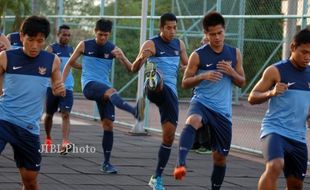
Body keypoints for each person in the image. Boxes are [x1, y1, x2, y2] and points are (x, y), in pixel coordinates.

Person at [173, 11, 245, 190]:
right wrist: (203, 76)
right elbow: (185, 83)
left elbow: (242, 82)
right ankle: (181, 163)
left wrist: (231, 72)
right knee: (193, 120)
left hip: (222, 111)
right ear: (206, 34)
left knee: (219, 158)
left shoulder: (234, 53)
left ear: (224, 31)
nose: (217, 37)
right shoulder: (197, 55)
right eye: (212, 34)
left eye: (220, 33)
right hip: (202, 102)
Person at [62, 18, 144, 174]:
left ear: (110, 34)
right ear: (95, 32)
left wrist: (122, 57)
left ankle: (106, 163)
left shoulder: (113, 48)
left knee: (108, 125)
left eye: (106, 35)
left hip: (104, 89)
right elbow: (69, 63)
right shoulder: (84, 45)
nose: (102, 38)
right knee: (112, 91)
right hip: (90, 86)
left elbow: (131, 69)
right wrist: (61, 83)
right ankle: (134, 111)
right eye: (100, 34)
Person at [0, 15, 65, 190]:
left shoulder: (52, 61)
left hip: (28, 128)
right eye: (30, 40)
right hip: (3, 121)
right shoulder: (5, 57)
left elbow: (57, 86)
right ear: (21, 36)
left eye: (40, 41)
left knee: (30, 181)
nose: (35, 46)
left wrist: (59, 90)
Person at [131, 12, 188, 190]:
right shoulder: (151, 44)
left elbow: (187, 67)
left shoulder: (179, 44)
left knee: (169, 136)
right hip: (154, 89)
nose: (172, 31)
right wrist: (142, 58)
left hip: (171, 94)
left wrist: (191, 68)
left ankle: (156, 177)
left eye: (174, 28)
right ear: (161, 28)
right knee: (155, 75)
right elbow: (134, 68)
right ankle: (155, 78)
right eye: (168, 28)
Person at [248, 29, 310, 190]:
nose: (307, 57)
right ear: (293, 47)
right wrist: (272, 92)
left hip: (298, 136)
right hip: (275, 130)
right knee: (275, 165)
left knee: (296, 185)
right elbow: (252, 97)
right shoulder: (276, 70)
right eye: (304, 52)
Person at [43, 24, 81, 155]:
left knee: (66, 114)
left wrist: (85, 67)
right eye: (64, 34)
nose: (67, 37)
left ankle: (65, 142)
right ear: (58, 35)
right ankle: (48, 137)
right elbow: (45, 66)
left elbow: (73, 63)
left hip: (68, 87)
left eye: (69, 35)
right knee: (49, 115)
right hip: (52, 87)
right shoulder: (51, 48)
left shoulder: (71, 49)